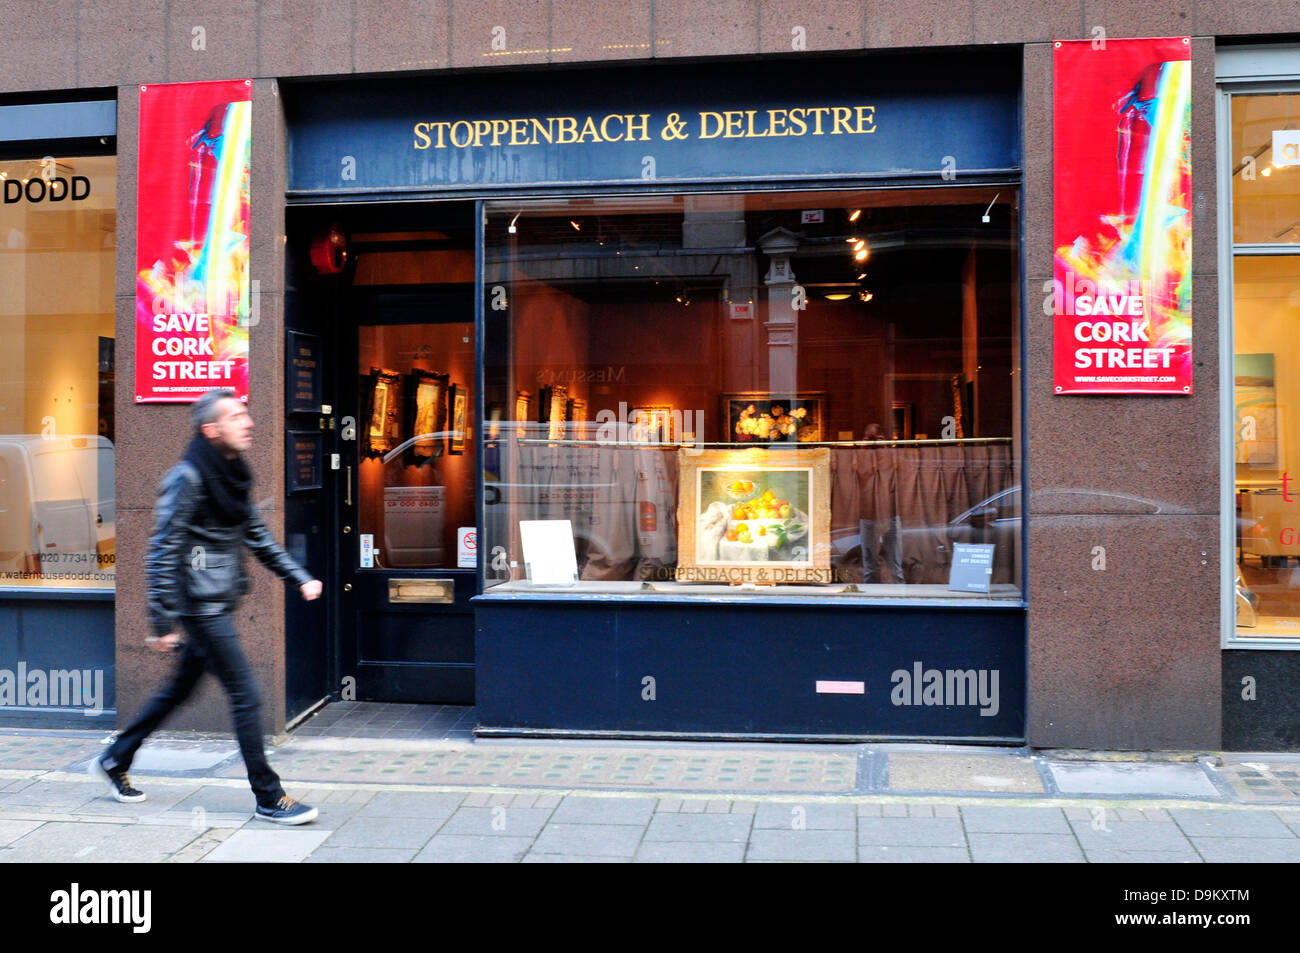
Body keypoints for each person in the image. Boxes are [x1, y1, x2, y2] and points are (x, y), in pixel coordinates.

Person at [92, 388, 323, 824]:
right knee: (246, 695)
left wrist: (299, 577)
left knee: (178, 690)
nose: (249, 422)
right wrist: (161, 619)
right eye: (237, 417)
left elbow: (257, 536)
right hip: (201, 608)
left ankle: (115, 758)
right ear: (211, 429)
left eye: (246, 414)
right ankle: (269, 797)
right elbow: (162, 549)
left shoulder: (232, 476)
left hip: (217, 600)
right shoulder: (188, 478)